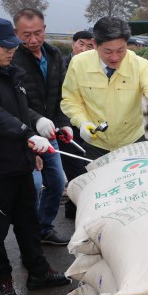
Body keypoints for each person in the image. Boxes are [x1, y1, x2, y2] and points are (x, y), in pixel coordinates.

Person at [0, 16, 69, 295]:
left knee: (28, 222)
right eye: (4, 46)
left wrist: (36, 132)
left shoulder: (12, 72)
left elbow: (23, 113)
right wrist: (26, 135)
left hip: (20, 162)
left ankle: (38, 271)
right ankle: (3, 280)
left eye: (13, 45)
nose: (12, 50)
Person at [61, 16, 148, 161]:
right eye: (108, 51)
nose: (115, 57)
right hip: (96, 144)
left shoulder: (139, 65)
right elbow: (70, 100)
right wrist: (82, 121)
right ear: (95, 44)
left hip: (132, 143)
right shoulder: (79, 64)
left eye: (121, 50)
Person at [12, 8, 70, 246]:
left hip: (50, 133)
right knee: (33, 186)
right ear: (16, 32)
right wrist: (36, 121)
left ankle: (44, 228)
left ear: (45, 29)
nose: (33, 40)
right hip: (23, 134)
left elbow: (62, 96)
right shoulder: (12, 59)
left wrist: (64, 124)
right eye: (26, 35)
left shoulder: (55, 54)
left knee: (56, 183)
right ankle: (28, 235)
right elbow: (14, 102)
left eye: (38, 33)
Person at [61, 30, 95, 220]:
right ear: (73, 44)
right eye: (80, 44)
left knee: (88, 166)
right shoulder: (62, 65)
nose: (83, 49)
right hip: (68, 125)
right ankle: (74, 207)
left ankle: (79, 206)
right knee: (75, 168)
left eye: (89, 46)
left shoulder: (94, 68)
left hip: (89, 125)